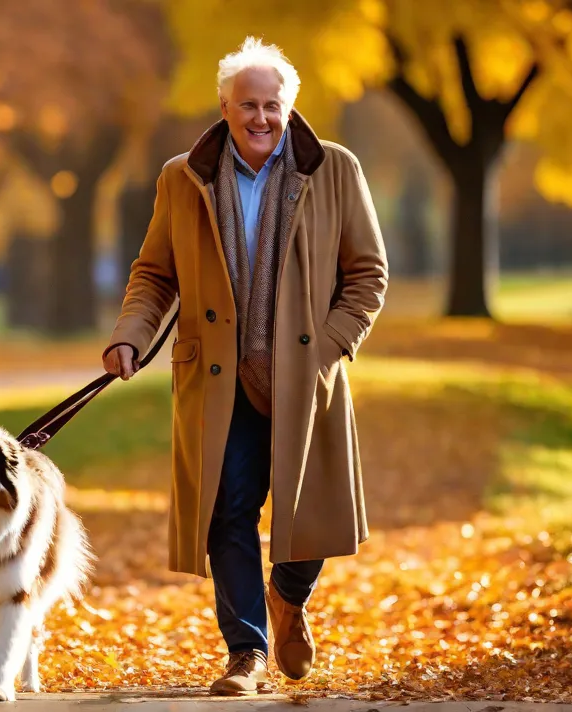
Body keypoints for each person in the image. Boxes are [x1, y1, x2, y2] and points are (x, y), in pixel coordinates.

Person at [102, 36, 388, 696]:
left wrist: (328, 347)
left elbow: (368, 274)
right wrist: (129, 337)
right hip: (217, 380)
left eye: (273, 106)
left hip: (302, 376)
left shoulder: (334, 169)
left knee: (308, 517)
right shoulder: (183, 177)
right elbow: (154, 273)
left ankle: (288, 598)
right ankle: (247, 654)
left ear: (290, 108)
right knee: (228, 512)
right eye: (248, 106)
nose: (262, 119)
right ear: (224, 107)